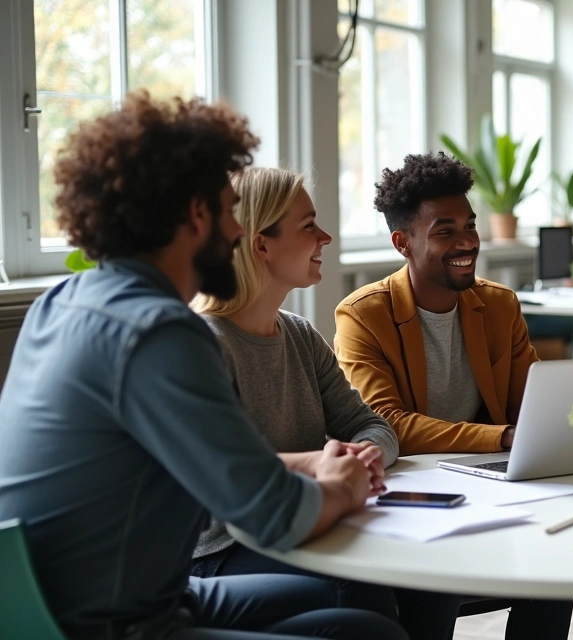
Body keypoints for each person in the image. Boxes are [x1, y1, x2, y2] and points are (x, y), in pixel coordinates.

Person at [0, 92, 405, 639]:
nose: (238, 232)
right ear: (197, 215)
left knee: (361, 606)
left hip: (138, 596)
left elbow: (218, 468)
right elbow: (275, 515)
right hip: (111, 625)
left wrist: (314, 467)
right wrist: (346, 483)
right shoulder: (160, 333)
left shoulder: (63, 301)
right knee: (366, 631)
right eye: (227, 211)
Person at [190, 167, 465, 636]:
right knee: (361, 590)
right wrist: (324, 463)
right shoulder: (206, 345)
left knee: (431, 572)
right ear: (261, 245)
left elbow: (371, 423)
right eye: (308, 226)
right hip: (222, 550)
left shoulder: (298, 334)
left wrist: (368, 452)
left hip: (309, 518)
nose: (326, 237)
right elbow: (222, 478)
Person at [333, 151, 573, 639]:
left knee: (561, 553)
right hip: (409, 495)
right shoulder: (363, 315)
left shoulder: (500, 305)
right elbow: (388, 422)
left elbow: (534, 403)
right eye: (445, 231)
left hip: (486, 484)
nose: (467, 242)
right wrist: (502, 438)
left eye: (470, 225)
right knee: (434, 578)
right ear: (404, 242)